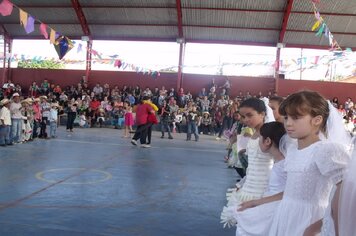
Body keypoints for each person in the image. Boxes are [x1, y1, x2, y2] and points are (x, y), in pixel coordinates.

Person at [266, 91, 351, 236]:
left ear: (317, 120)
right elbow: (291, 191)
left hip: (311, 221)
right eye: (286, 117)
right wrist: (258, 202)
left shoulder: (326, 150)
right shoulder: (292, 149)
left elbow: (345, 196)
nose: (288, 123)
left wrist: (319, 226)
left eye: (296, 117)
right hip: (285, 216)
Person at [220, 98, 274, 228]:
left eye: (250, 115)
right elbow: (252, 166)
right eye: (243, 116)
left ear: (262, 114)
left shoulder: (270, 134)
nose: (245, 120)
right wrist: (243, 183)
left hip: (264, 187)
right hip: (250, 186)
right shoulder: (254, 133)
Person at [235, 122, 287, 235]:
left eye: (260, 138)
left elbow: (288, 192)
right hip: (269, 205)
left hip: (274, 209)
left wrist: (255, 203)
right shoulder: (279, 163)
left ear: (267, 141)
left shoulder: (283, 166)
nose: (258, 141)